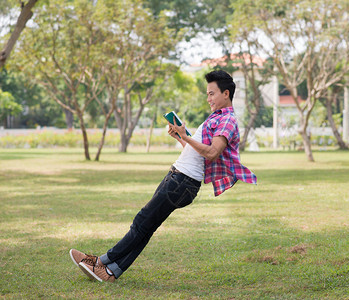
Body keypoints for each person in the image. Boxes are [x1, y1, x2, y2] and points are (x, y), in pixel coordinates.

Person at [69, 70, 257, 282]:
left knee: (142, 221)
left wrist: (186, 134)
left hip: (183, 182)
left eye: (212, 94)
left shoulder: (228, 121)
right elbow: (197, 153)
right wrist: (181, 137)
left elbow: (212, 153)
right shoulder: (217, 118)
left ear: (225, 93)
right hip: (179, 178)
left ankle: (100, 262)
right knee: (147, 226)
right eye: (207, 94)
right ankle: (112, 272)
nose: (208, 98)